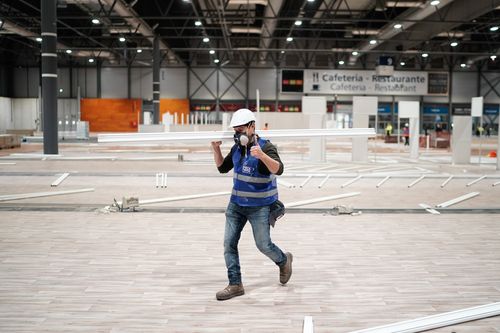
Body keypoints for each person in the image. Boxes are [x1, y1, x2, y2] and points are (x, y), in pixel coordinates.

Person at [210, 108, 292, 301]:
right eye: (235, 131)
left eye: (240, 130)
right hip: (236, 206)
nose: (237, 135)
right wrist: (215, 149)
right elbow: (222, 168)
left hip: (259, 207)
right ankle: (235, 284)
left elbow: (279, 169)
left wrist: (262, 156)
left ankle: (283, 260)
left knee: (263, 245)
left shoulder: (267, 147)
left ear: (251, 127)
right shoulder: (237, 149)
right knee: (228, 244)